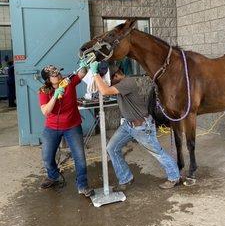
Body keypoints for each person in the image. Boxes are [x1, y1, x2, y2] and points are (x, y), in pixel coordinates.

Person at [89, 61, 180, 190]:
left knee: (157, 152)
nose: (107, 81)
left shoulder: (127, 83)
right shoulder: (122, 84)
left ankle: (174, 177)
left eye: (109, 79)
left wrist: (95, 73)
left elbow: (105, 91)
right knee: (112, 148)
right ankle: (126, 178)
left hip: (142, 126)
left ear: (116, 76)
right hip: (128, 125)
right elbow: (102, 88)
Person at [38, 64, 94, 197]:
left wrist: (84, 64)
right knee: (47, 158)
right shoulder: (43, 91)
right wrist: (55, 95)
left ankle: (82, 185)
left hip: (72, 126)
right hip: (52, 127)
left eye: (58, 73)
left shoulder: (68, 81)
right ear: (48, 80)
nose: (58, 75)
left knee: (80, 157)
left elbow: (81, 73)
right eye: (54, 75)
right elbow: (46, 111)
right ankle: (53, 176)